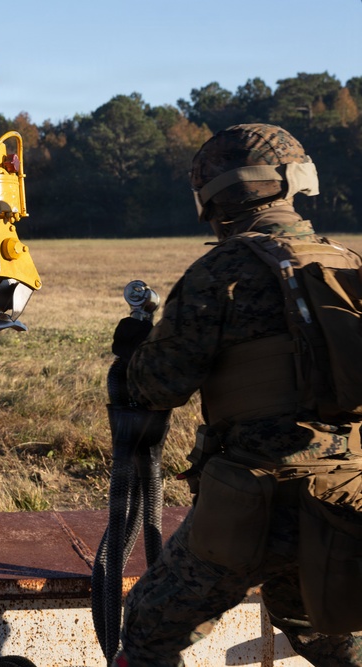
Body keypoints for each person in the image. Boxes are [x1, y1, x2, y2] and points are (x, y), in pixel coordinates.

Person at [112, 123, 362, 666]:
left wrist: (134, 354)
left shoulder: (221, 271)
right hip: (347, 494)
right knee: (326, 629)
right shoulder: (347, 261)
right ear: (295, 184)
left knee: (150, 631)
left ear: (212, 198)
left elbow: (157, 386)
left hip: (256, 497)